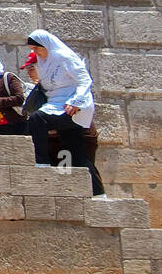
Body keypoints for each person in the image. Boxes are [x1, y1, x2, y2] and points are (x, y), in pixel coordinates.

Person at [22, 29, 105, 196]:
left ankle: (42, 162)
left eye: (37, 48)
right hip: (57, 106)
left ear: (46, 45)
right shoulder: (44, 63)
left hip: (72, 107)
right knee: (77, 155)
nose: (35, 52)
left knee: (38, 119)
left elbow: (85, 80)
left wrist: (75, 101)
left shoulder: (64, 57)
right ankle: (98, 194)